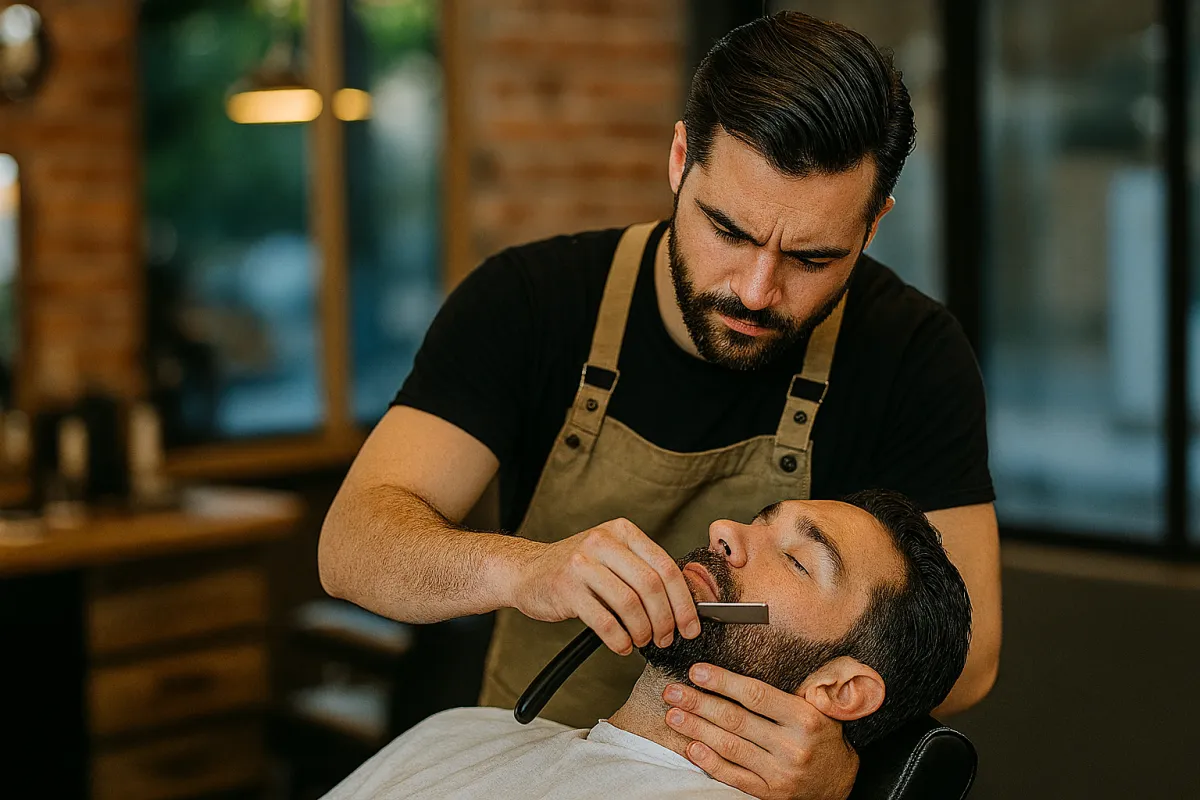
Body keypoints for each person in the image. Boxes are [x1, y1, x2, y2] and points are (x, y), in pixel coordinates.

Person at [319, 10, 1000, 796]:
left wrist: (843, 773)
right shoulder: (531, 304)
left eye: (812, 256)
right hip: (530, 747)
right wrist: (529, 570)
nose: (756, 290)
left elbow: (967, 660)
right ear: (681, 160)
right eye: (728, 230)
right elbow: (352, 544)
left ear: (873, 223)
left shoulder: (911, 353)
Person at [322, 491, 972, 800]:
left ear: (838, 689)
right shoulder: (460, 732)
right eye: (756, 521)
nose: (724, 532)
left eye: (798, 559)